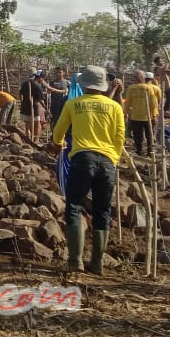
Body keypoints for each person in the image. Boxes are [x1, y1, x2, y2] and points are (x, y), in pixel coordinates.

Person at [51, 66, 125, 274]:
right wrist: (114, 158)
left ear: (83, 85)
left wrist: (58, 144)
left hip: (82, 159)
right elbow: (120, 136)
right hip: (107, 161)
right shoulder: (114, 107)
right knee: (103, 210)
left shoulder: (73, 104)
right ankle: (97, 263)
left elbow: (58, 132)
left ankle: (76, 261)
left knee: (74, 206)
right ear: (103, 86)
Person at [124, 69, 160, 156]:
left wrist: (127, 114)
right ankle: (150, 151)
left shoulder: (131, 88)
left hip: (135, 116)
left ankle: (139, 150)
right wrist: (154, 115)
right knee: (149, 134)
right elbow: (154, 103)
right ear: (142, 78)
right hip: (148, 116)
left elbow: (127, 103)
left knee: (137, 135)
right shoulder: (150, 88)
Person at [18, 71, 45, 142]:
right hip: (34, 107)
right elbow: (41, 100)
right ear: (41, 78)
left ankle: (29, 139)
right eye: (43, 79)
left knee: (27, 125)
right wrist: (46, 109)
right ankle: (36, 140)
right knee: (37, 124)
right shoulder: (38, 87)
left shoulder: (25, 83)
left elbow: (20, 93)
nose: (42, 80)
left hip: (25, 106)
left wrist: (22, 102)